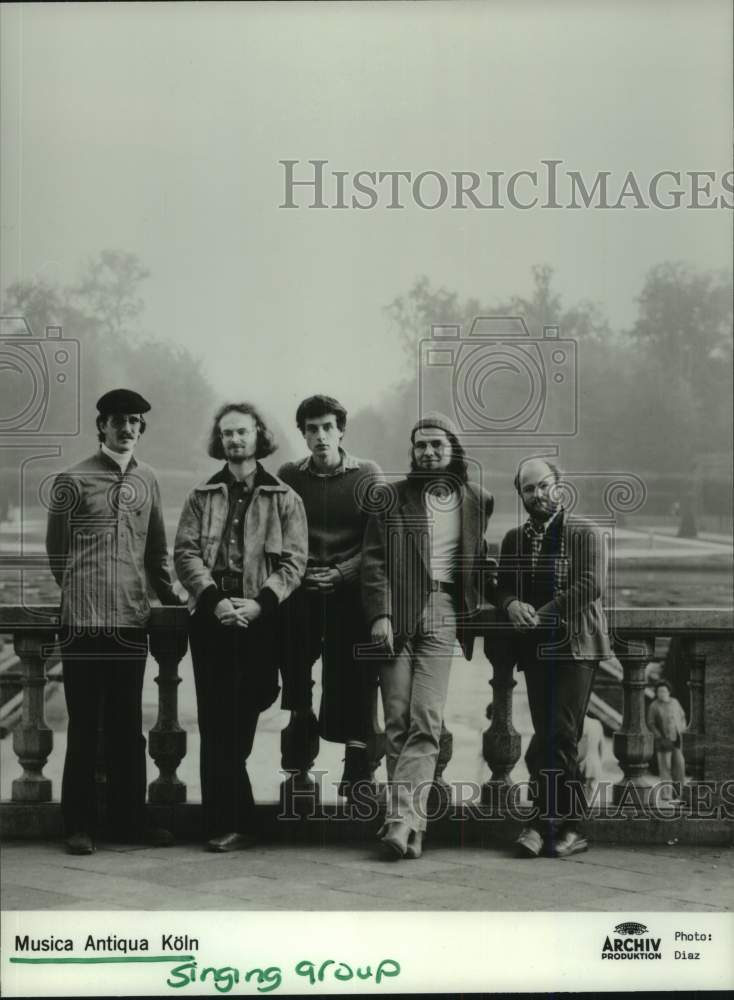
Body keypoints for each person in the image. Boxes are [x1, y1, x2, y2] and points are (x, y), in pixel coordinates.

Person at [45, 388, 180, 855]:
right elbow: (58, 554)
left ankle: (130, 820)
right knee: (84, 726)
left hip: (130, 621)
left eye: (136, 422)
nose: (128, 429)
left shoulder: (149, 480)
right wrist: (85, 595)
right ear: (101, 425)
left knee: (127, 726)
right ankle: (78, 825)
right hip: (82, 622)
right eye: (119, 421)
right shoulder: (72, 479)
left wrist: (171, 600)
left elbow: (157, 552)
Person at [173, 402, 307, 852]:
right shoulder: (200, 495)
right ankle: (226, 823)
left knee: (247, 709)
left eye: (242, 433)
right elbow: (185, 554)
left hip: (259, 622)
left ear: (258, 437)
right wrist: (213, 601)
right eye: (227, 434)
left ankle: (236, 820)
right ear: (220, 440)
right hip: (211, 619)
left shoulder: (285, 498)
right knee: (214, 722)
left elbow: (294, 562)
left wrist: (258, 605)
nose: (234, 440)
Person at [362, 413, 494, 860]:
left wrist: (501, 596)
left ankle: (399, 821)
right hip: (395, 614)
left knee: (426, 715)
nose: (429, 452)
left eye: (437, 444)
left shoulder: (477, 500)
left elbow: (478, 559)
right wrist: (379, 614)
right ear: (413, 451)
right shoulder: (390, 497)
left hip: (443, 611)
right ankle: (411, 825)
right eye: (421, 446)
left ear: (453, 448)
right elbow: (374, 562)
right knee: (397, 717)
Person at [494, 457, 611, 859]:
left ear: (560, 485)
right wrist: (510, 604)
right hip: (536, 650)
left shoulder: (585, 532)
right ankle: (547, 822)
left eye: (544, 486)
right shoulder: (514, 539)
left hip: (577, 646)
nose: (537, 495)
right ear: (521, 495)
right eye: (529, 489)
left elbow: (589, 586)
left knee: (563, 734)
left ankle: (562, 826)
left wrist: (538, 614)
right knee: (547, 736)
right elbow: (502, 585)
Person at [277, 395, 382, 800]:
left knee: (356, 675)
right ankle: (299, 770)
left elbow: (377, 542)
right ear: (302, 434)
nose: (320, 436)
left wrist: (340, 573)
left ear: (341, 430)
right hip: (302, 590)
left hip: (349, 592)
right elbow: (279, 534)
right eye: (311, 429)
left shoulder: (367, 475)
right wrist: (302, 573)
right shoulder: (289, 475)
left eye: (327, 427)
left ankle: (357, 773)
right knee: (297, 677)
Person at [646, 679, 687, 800]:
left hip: (677, 740)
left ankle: (679, 794)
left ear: (669, 692)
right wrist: (659, 736)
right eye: (659, 691)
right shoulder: (654, 705)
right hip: (663, 742)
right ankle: (666, 795)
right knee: (665, 769)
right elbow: (650, 723)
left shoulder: (675, 702)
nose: (662, 693)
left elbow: (683, 716)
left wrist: (683, 729)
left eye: (664, 691)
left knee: (679, 767)